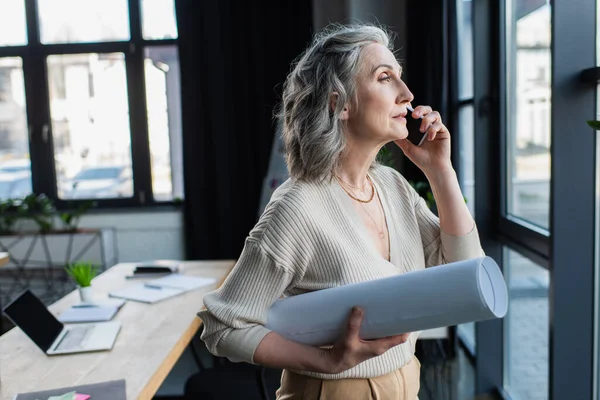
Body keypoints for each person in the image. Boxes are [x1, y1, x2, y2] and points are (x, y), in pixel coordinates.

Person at [197, 22, 484, 400]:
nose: (408, 94)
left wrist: (439, 171)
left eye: (401, 78)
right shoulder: (297, 206)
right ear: (339, 104)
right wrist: (325, 361)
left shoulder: (392, 187)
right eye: (385, 78)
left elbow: (464, 270)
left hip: (407, 385)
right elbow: (223, 326)